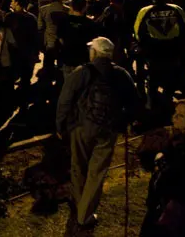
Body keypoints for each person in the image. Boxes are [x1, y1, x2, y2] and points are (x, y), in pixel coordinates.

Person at [56, 37, 138, 232]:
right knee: (97, 172)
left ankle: (78, 204)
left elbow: (64, 101)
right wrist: (123, 121)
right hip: (108, 130)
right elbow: (134, 104)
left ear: (95, 53)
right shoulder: (122, 74)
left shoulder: (82, 72)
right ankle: (85, 213)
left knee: (78, 166)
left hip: (81, 127)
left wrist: (61, 126)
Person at [138, 99, 185, 237]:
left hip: (175, 216)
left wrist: (159, 156)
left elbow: (179, 180)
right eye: (175, 113)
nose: (174, 118)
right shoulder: (176, 142)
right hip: (159, 209)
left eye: (181, 116)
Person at [134, 0, 185, 112]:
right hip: (173, 49)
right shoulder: (176, 9)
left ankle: (152, 105)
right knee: (171, 77)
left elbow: (138, 30)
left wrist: (144, 45)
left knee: (154, 79)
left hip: (154, 51)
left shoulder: (145, 11)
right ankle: (168, 101)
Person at [5, 0, 39, 109]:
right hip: (27, 54)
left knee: (10, 79)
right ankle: (23, 104)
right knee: (25, 80)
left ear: (18, 3)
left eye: (13, 1)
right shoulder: (32, 18)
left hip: (13, 54)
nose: (11, 3)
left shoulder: (10, 17)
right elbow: (35, 37)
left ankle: (9, 102)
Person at [58, 0, 98, 77]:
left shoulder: (64, 20)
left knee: (68, 84)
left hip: (67, 58)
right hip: (83, 59)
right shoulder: (90, 23)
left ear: (71, 7)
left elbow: (60, 38)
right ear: (85, 7)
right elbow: (93, 42)